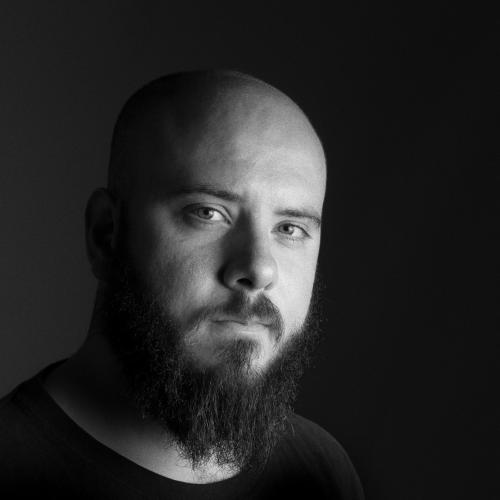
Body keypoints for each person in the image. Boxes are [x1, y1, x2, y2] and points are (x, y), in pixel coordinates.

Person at [0, 70, 364, 499]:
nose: (259, 269)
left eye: (290, 228)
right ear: (105, 234)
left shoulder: (321, 472)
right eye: (208, 213)